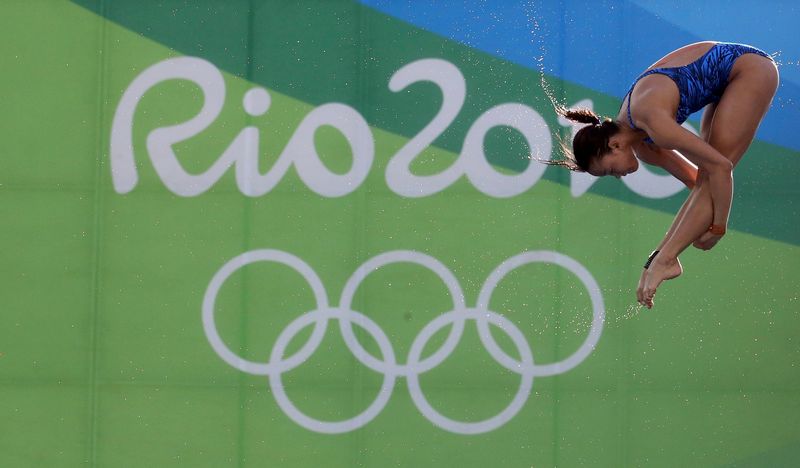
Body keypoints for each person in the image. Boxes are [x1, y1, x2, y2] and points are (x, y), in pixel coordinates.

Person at [547, 41, 779, 308]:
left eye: (611, 170)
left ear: (615, 145)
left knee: (714, 170)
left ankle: (665, 261)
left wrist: (718, 228)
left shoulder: (653, 123)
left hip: (750, 69)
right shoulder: (645, 146)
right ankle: (661, 262)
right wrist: (656, 256)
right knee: (706, 179)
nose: (620, 176)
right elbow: (698, 183)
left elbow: (721, 169)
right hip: (724, 83)